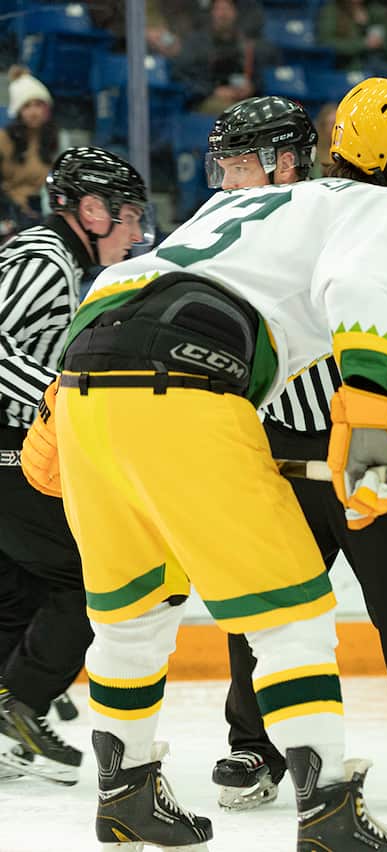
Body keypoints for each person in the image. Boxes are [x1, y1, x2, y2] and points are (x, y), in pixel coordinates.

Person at [20, 78, 387, 851]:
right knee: (293, 615)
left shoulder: (227, 208)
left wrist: (60, 406)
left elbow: (127, 281)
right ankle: (328, 812)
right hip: (190, 377)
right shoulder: (371, 208)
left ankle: (124, 797)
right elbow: (358, 290)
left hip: (90, 377)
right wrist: (368, 413)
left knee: (134, 612)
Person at [203, 95, 387, 814]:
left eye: (240, 166)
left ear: (287, 161)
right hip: (276, 444)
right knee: (264, 604)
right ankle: (252, 745)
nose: (227, 182)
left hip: (363, 439)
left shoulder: (355, 219)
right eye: (224, 166)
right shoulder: (251, 228)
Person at [0, 147, 150, 785]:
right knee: (97, 574)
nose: (138, 232)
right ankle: (19, 705)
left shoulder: (51, 255)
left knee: (20, 590)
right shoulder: (44, 257)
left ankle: (11, 711)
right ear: (91, 209)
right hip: (8, 451)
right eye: (130, 215)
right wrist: (62, 400)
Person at [0, 67, 57, 235]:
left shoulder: (51, 140)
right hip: (7, 212)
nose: (34, 112)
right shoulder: (4, 140)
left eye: (38, 105)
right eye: (27, 106)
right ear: (18, 111)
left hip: (37, 212)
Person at [318, 0, 387, 72]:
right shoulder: (332, 10)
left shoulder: (375, 10)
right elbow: (326, 42)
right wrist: (364, 43)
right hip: (349, 65)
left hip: (380, 60)